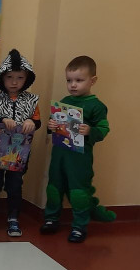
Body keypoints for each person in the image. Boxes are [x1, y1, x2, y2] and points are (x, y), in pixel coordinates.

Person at [42, 55, 114, 243]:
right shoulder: (64, 101)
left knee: (79, 192)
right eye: (69, 80)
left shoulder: (96, 106)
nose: (73, 85)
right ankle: (51, 219)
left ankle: (79, 226)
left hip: (79, 159)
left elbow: (103, 129)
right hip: (59, 155)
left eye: (79, 80)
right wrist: (51, 126)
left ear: (93, 81)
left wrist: (90, 130)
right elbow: (55, 124)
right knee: (54, 188)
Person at [0, 49, 40, 238]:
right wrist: (1, 119)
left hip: (19, 153)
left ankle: (13, 218)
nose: (14, 82)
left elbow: (37, 121)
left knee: (15, 185)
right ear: (2, 78)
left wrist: (32, 122)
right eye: (9, 77)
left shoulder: (31, 100)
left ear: (27, 79)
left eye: (20, 77)